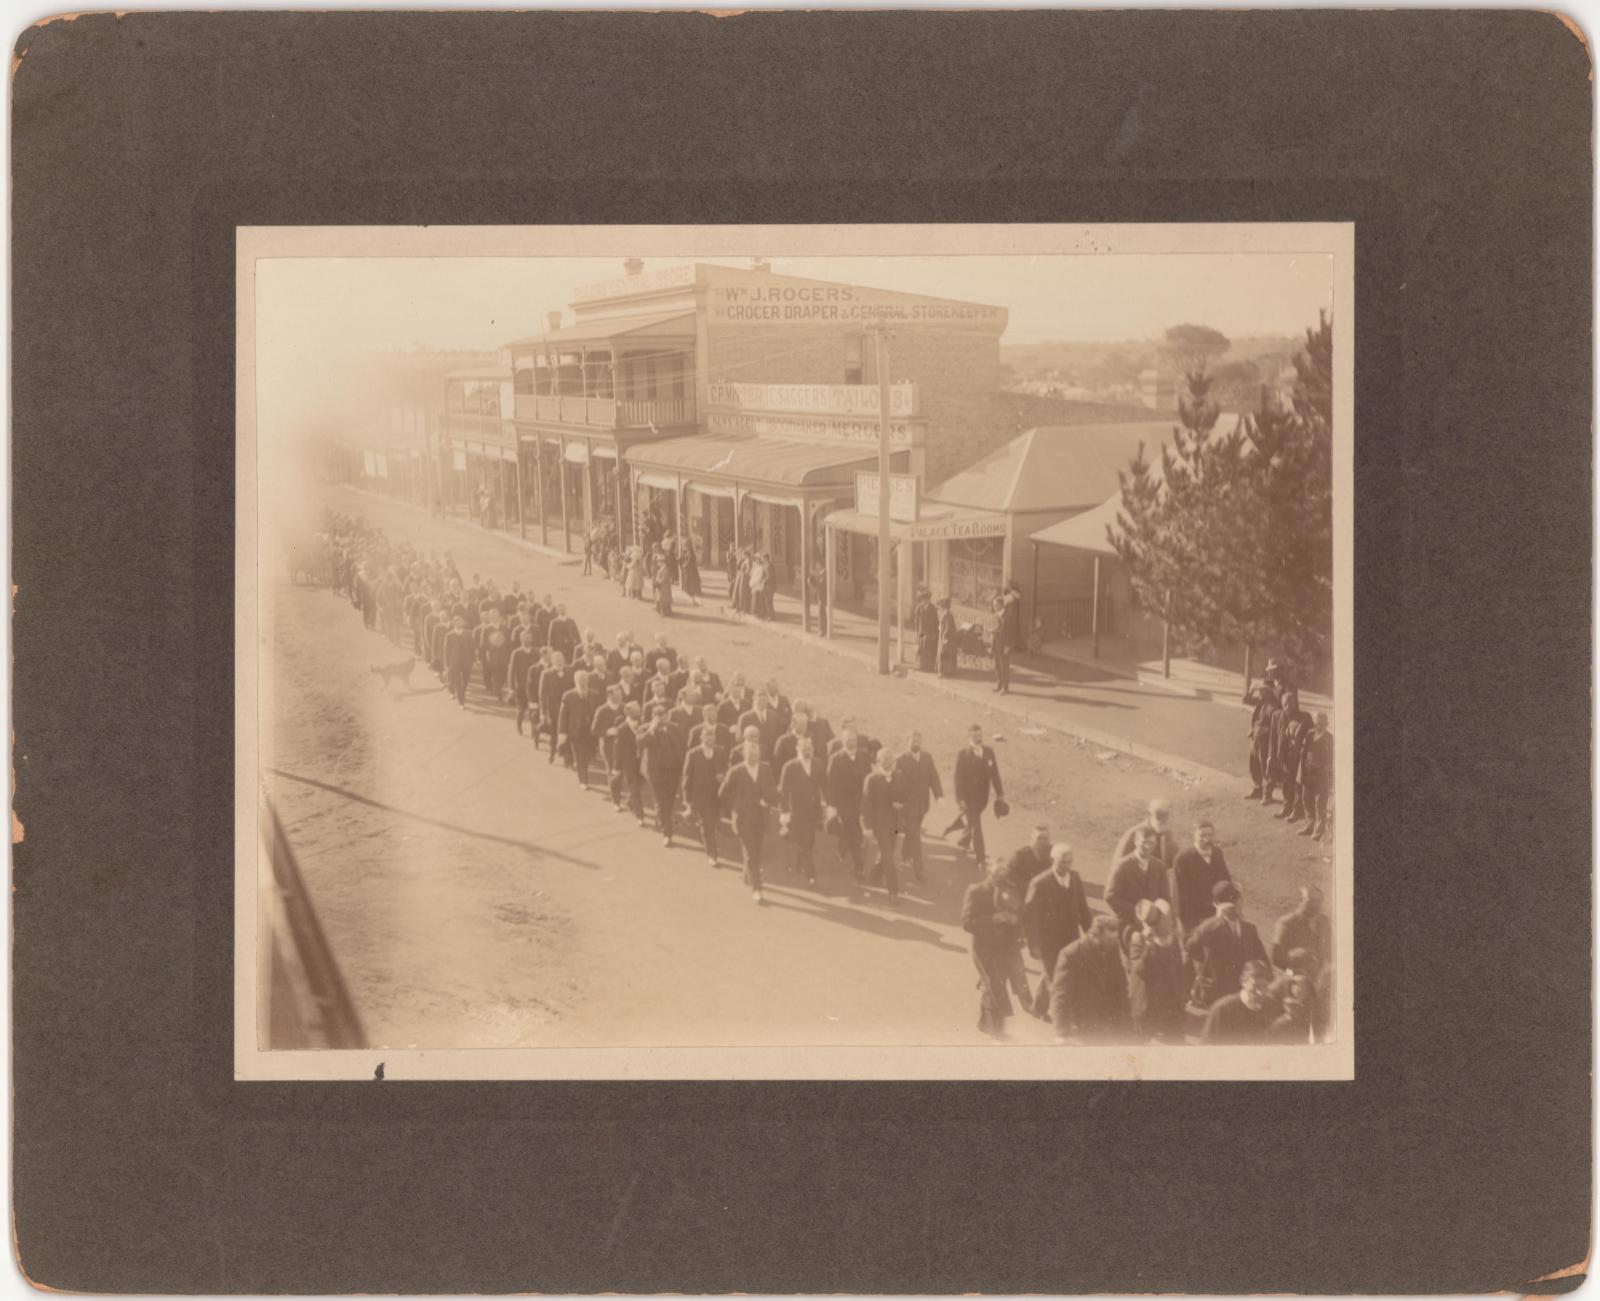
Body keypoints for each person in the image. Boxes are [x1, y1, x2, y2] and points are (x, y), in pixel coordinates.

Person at [1022, 843, 1093, 1019]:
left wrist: (1091, 932)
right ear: (1053, 861)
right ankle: (1067, 1018)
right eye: (1062, 862)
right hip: (1048, 942)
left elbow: (1083, 908)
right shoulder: (1040, 883)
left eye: (1070, 862)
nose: (1066, 866)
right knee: (1054, 977)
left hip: (1070, 937)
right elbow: (1030, 919)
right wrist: (1034, 945)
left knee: (1063, 973)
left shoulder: (1075, 878)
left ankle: (1039, 1007)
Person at [961, 860, 1026, 1039]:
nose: (1001, 876)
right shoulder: (976, 891)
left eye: (1004, 872)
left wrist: (1016, 922)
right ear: (989, 870)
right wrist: (993, 919)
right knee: (995, 984)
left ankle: (985, 1022)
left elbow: (1020, 914)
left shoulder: (1010, 891)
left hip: (1004, 947)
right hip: (983, 948)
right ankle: (996, 1029)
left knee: (996, 983)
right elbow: (966, 923)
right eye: (998, 872)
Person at [1187, 880, 1269, 1011]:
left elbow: (1262, 958)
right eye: (1232, 906)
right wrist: (1201, 973)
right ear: (1222, 908)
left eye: (1238, 904)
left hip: (1244, 992)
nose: (1237, 908)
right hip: (1218, 993)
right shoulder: (1209, 929)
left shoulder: (1249, 930)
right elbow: (1192, 948)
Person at [1049, 915, 1129, 1044]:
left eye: (1115, 939)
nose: (1113, 943)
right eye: (1109, 939)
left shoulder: (1111, 949)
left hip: (1109, 1026)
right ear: (1095, 936)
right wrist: (1061, 1033)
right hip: (1083, 1027)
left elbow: (1121, 985)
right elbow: (1060, 996)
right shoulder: (1071, 955)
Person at [720, 739, 777, 904]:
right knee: (750, 853)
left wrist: (767, 800)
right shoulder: (736, 771)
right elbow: (723, 793)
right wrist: (736, 806)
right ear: (744, 754)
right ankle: (757, 888)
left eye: (757, 753)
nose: (754, 756)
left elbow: (772, 788)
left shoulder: (766, 768)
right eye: (751, 754)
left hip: (760, 818)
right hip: (743, 819)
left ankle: (748, 875)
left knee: (757, 851)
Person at [1125, 898, 1186, 1042]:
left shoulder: (1173, 939)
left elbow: (1178, 970)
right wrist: (1148, 946)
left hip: (1170, 1003)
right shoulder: (1138, 939)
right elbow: (1139, 970)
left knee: (1176, 1043)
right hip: (1148, 1003)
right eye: (1165, 919)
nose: (1169, 922)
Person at [890, 732, 943, 882]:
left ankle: (906, 855)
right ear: (907, 743)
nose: (916, 744)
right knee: (916, 836)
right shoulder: (900, 760)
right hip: (907, 806)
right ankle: (919, 871)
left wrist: (939, 796)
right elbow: (895, 783)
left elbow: (934, 777)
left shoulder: (927, 758)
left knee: (912, 832)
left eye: (918, 741)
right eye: (913, 741)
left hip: (922, 806)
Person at [951, 725, 1004, 866]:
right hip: (968, 799)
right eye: (974, 736)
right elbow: (957, 779)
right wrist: (960, 799)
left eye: (979, 735)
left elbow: (995, 774)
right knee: (976, 826)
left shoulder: (989, 752)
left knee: (973, 821)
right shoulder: (963, 754)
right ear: (969, 737)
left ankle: (963, 840)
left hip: (982, 799)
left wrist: (1000, 794)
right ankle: (980, 859)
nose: (977, 738)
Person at [1172, 820, 1232, 938]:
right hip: (1196, 916)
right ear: (1193, 835)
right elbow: (1180, 896)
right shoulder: (1182, 859)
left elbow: (1225, 880)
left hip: (1218, 913)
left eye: (1209, 835)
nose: (1206, 839)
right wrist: (1188, 926)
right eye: (1202, 836)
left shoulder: (1217, 853)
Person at [778, 734, 825, 885]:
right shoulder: (790, 766)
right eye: (804, 749)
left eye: (809, 748)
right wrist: (784, 811)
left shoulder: (818, 764)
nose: (807, 751)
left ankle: (800, 863)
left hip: (813, 810)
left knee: (810, 840)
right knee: (804, 842)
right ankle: (811, 874)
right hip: (796, 810)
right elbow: (783, 791)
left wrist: (828, 804)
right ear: (797, 749)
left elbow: (825, 785)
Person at [826, 727, 870, 879]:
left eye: (854, 740)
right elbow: (830, 784)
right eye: (848, 740)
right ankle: (859, 867)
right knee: (854, 834)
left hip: (862, 801)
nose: (852, 743)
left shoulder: (864, 756)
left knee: (849, 832)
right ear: (843, 741)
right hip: (844, 804)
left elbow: (869, 779)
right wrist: (832, 806)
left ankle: (841, 849)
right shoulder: (836, 759)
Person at [1200, 960, 1278, 1044]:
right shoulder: (1222, 1009)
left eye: (1264, 986)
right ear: (1242, 982)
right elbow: (1206, 1048)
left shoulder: (1272, 1007)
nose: (1260, 992)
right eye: (1255, 986)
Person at [1105, 826, 1167, 928]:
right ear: (1135, 842)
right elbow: (1110, 896)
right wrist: (1136, 911)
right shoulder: (1122, 865)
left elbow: (1165, 897)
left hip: (1153, 925)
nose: (1148, 846)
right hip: (1127, 923)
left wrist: (1156, 915)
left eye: (1152, 843)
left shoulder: (1159, 866)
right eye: (1144, 842)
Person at [681, 723, 726, 867]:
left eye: (713, 735)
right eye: (707, 735)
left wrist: (722, 777)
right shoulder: (693, 754)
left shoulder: (720, 752)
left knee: (713, 823)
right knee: (708, 826)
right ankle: (712, 855)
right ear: (701, 737)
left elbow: (726, 771)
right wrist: (687, 800)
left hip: (716, 796)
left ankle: (706, 840)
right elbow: (687, 777)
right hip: (700, 796)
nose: (711, 738)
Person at [641, 703, 685, 847]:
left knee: (669, 800)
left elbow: (681, 747)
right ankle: (667, 833)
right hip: (655, 772)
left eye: (664, 716)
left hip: (672, 771)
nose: (661, 719)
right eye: (658, 716)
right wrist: (652, 730)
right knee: (660, 801)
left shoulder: (674, 728)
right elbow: (640, 742)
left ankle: (662, 818)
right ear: (653, 717)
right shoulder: (646, 729)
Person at [1112, 798, 1177, 896]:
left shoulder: (1166, 834)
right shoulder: (1133, 834)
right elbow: (1118, 865)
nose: (1163, 819)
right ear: (1150, 814)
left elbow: (1172, 860)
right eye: (1159, 815)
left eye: (1166, 815)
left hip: (1157, 888)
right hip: (1135, 889)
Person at [862, 747, 901, 901]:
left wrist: (901, 804)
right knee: (888, 856)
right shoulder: (871, 779)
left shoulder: (898, 776)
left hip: (896, 825)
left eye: (891, 759)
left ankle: (874, 874)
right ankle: (893, 892)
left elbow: (904, 794)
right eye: (885, 759)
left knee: (887, 853)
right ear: (878, 761)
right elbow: (866, 805)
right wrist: (868, 827)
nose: (888, 762)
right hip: (880, 825)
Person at [1271, 884, 1332, 970]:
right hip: (1294, 976)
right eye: (1310, 901)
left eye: (1319, 901)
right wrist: (1293, 975)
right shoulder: (1286, 923)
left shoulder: (1324, 922)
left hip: (1319, 976)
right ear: (1299, 901)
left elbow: (1331, 952)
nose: (1315, 905)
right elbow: (1277, 959)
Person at [557, 669, 597, 789]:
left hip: (590, 732)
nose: (582, 683)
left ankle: (583, 770)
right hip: (575, 732)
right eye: (580, 680)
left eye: (584, 680)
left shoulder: (594, 694)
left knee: (588, 755)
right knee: (580, 757)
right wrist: (562, 732)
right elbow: (563, 715)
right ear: (575, 681)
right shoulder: (568, 696)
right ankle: (583, 781)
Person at [1298, 712, 1333, 840]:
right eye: (1316, 722)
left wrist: (1328, 773)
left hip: (1321, 775)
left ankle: (1319, 829)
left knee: (1320, 803)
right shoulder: (1309, 735)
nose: (1317, 725)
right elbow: (1303, 752)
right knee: (1306, 799)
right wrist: (1301, 771)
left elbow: (1330, 760)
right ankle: (1310, 825)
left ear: (1325, 724)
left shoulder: (1329, 738)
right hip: (1308, 772)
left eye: (1320, 722)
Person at [593, 684, 626, 809]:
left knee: (625, 773)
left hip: (624, 746)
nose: (620, 696)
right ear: (610, 695)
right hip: (609, 746)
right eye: (617, 694)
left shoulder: (624, 707)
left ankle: (623, 795)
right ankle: (616, 801)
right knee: (613, 772)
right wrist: (607, 731)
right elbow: (594, 729)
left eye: (621, 693)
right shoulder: (602, 710)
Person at [539, 651, 570, 765]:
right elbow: (542, 695)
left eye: (561, 659)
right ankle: (552, 753)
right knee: (553, 734)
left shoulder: (569, 671)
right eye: (556, 660)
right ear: (552, 661)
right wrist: (543, 713)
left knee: (567, 733)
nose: (559, 661)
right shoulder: (546, 674)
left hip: (567, 709)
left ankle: (566, 757)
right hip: (553, 710)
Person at [1005, 824, 1054, 894]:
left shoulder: (1054, 853)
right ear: (1031, 839)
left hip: (1045, 892)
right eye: (1039, 838)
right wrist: (1028, 886)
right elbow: (1009, 876)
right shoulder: (1020, 855)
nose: (1043, 842)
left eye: (1045, 838)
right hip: (1022, 891)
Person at [993, 581, 1022, 694]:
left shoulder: (1008, 613)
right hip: (997, 642)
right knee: (997, 664)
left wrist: (1008, 645)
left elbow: (1010, 629)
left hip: (1004, 643)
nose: (994, 607)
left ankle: (1005, 687)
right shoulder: (997, 614)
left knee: (1004, 664)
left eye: (996, 605)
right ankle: (999, 683)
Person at [508, 627, 538, 735]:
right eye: (525, 638)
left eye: (529, 638)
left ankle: (534, 731)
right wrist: (511, 688)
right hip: (521, 687)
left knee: (533, 710)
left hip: (533, 687)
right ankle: (519, 727)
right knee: (521, 709)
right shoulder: (516, 653)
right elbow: (511, 671)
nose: (528, 640)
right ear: (521, 639)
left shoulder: (536, 652)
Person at [442, 613, 473, 707]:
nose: (459, 624)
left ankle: (462, 693)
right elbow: (446, 651)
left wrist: (475, 660)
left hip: (466, 661)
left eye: (460, 622)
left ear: (463, 623)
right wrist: (447, 664)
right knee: (458, 681)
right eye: (456, 622)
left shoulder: (468, 633)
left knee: (466, 680)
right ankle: (461, 701)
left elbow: (472, 648)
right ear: (453, 623)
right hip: (454, 662)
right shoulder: (449, 635)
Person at [915, 588, 940, 672]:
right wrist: (917, 632)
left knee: (929, 649)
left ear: (929, 599)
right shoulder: (919, 608)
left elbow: (936, 622)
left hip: (930, 632)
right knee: (921, 648)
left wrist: (934, 634)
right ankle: (922, 666)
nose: (924, 601)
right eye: (923, 599)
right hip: (921, 632)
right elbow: (916, 621)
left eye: (926, 599)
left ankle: (929, 667)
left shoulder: (933, 608)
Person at [935, 598, 959, 677]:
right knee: (946, 654)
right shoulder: (946, 613)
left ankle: (943, 671)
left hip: (946, 638)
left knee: (944, 653)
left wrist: (944, 637)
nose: (939, 608)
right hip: (944, 636)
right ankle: (947, 670)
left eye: (940, 606)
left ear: (943, 606)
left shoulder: (948, 614)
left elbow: (948, 627)